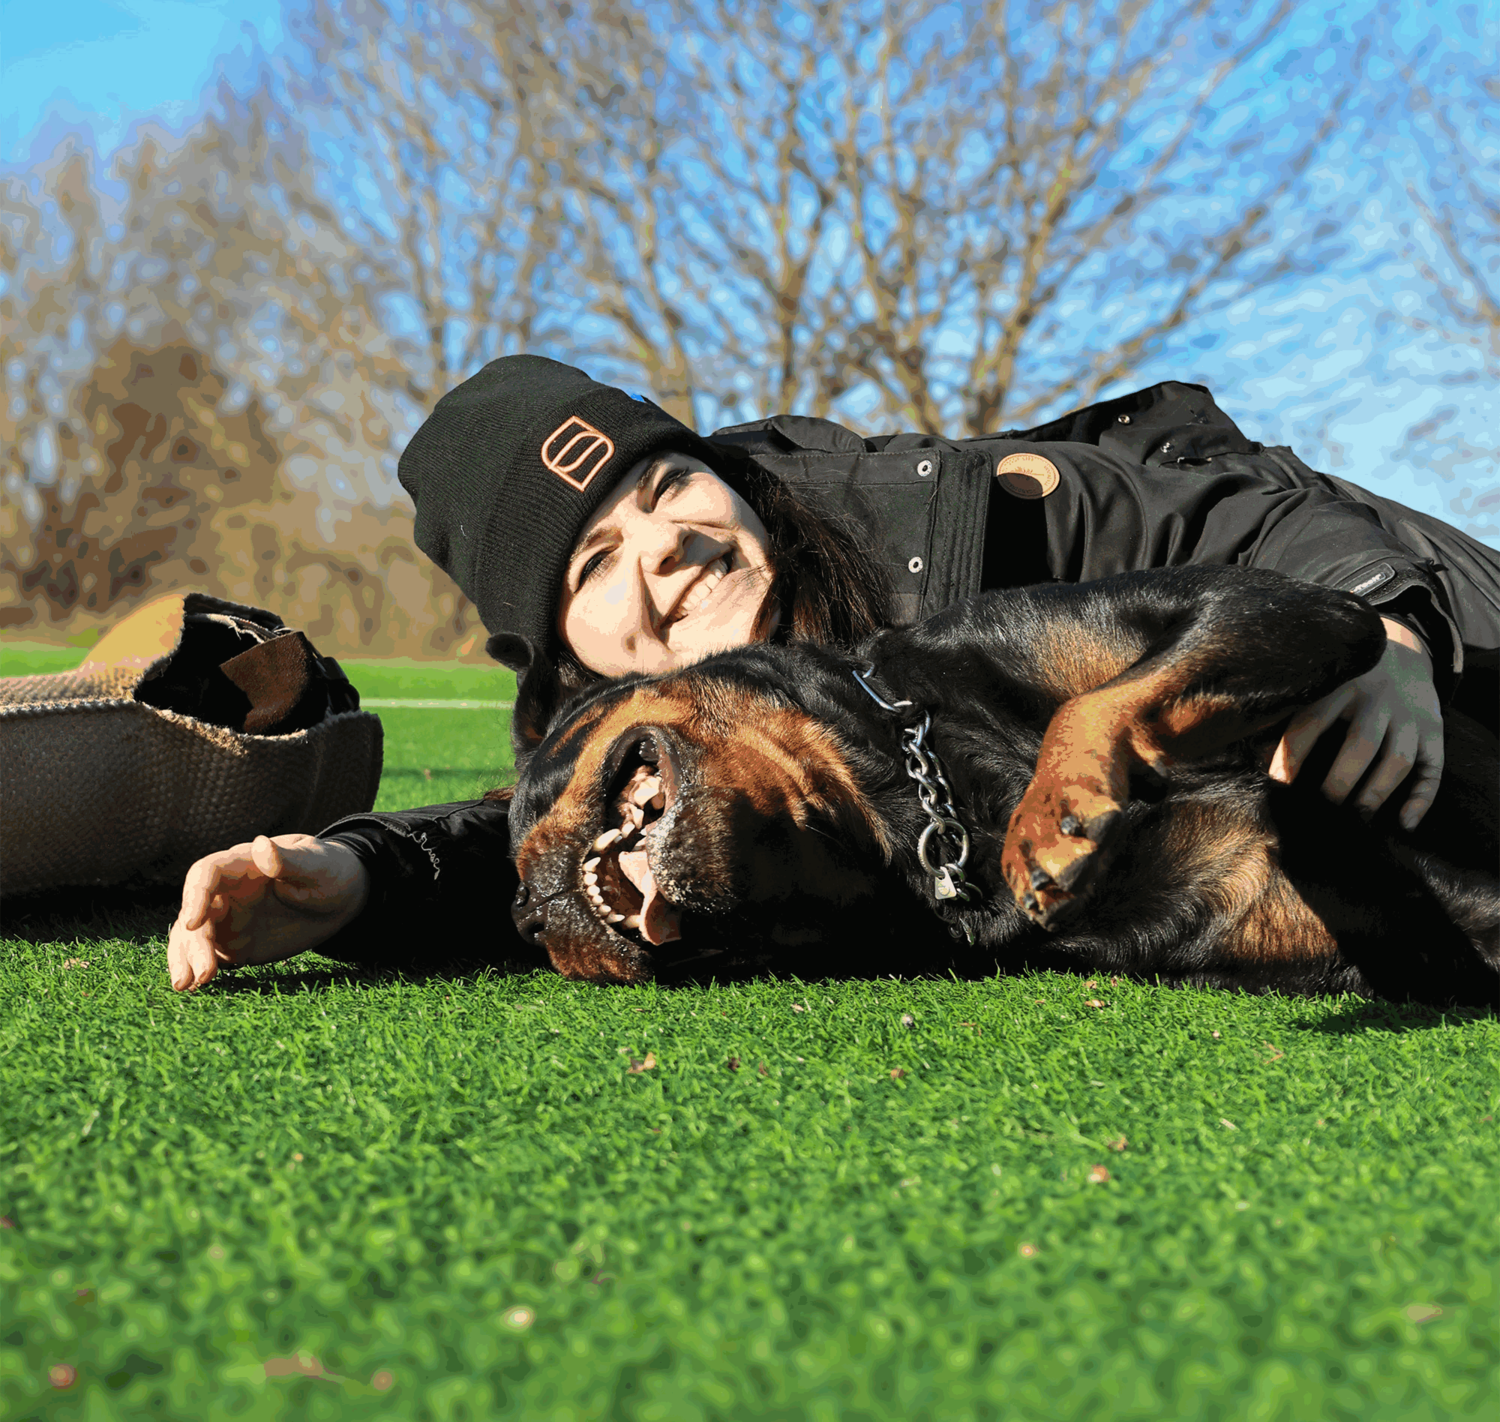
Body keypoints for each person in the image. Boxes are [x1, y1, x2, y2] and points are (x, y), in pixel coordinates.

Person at [168, 355, 1500, 990]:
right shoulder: (637, 728)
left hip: (1427, 605)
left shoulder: (974, 522)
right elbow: (545, 848)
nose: (669, 551)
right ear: (572, 660)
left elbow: (1248, 527)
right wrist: (356, 877)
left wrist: (1384, 629)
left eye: (667, 487)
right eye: (595, 563)